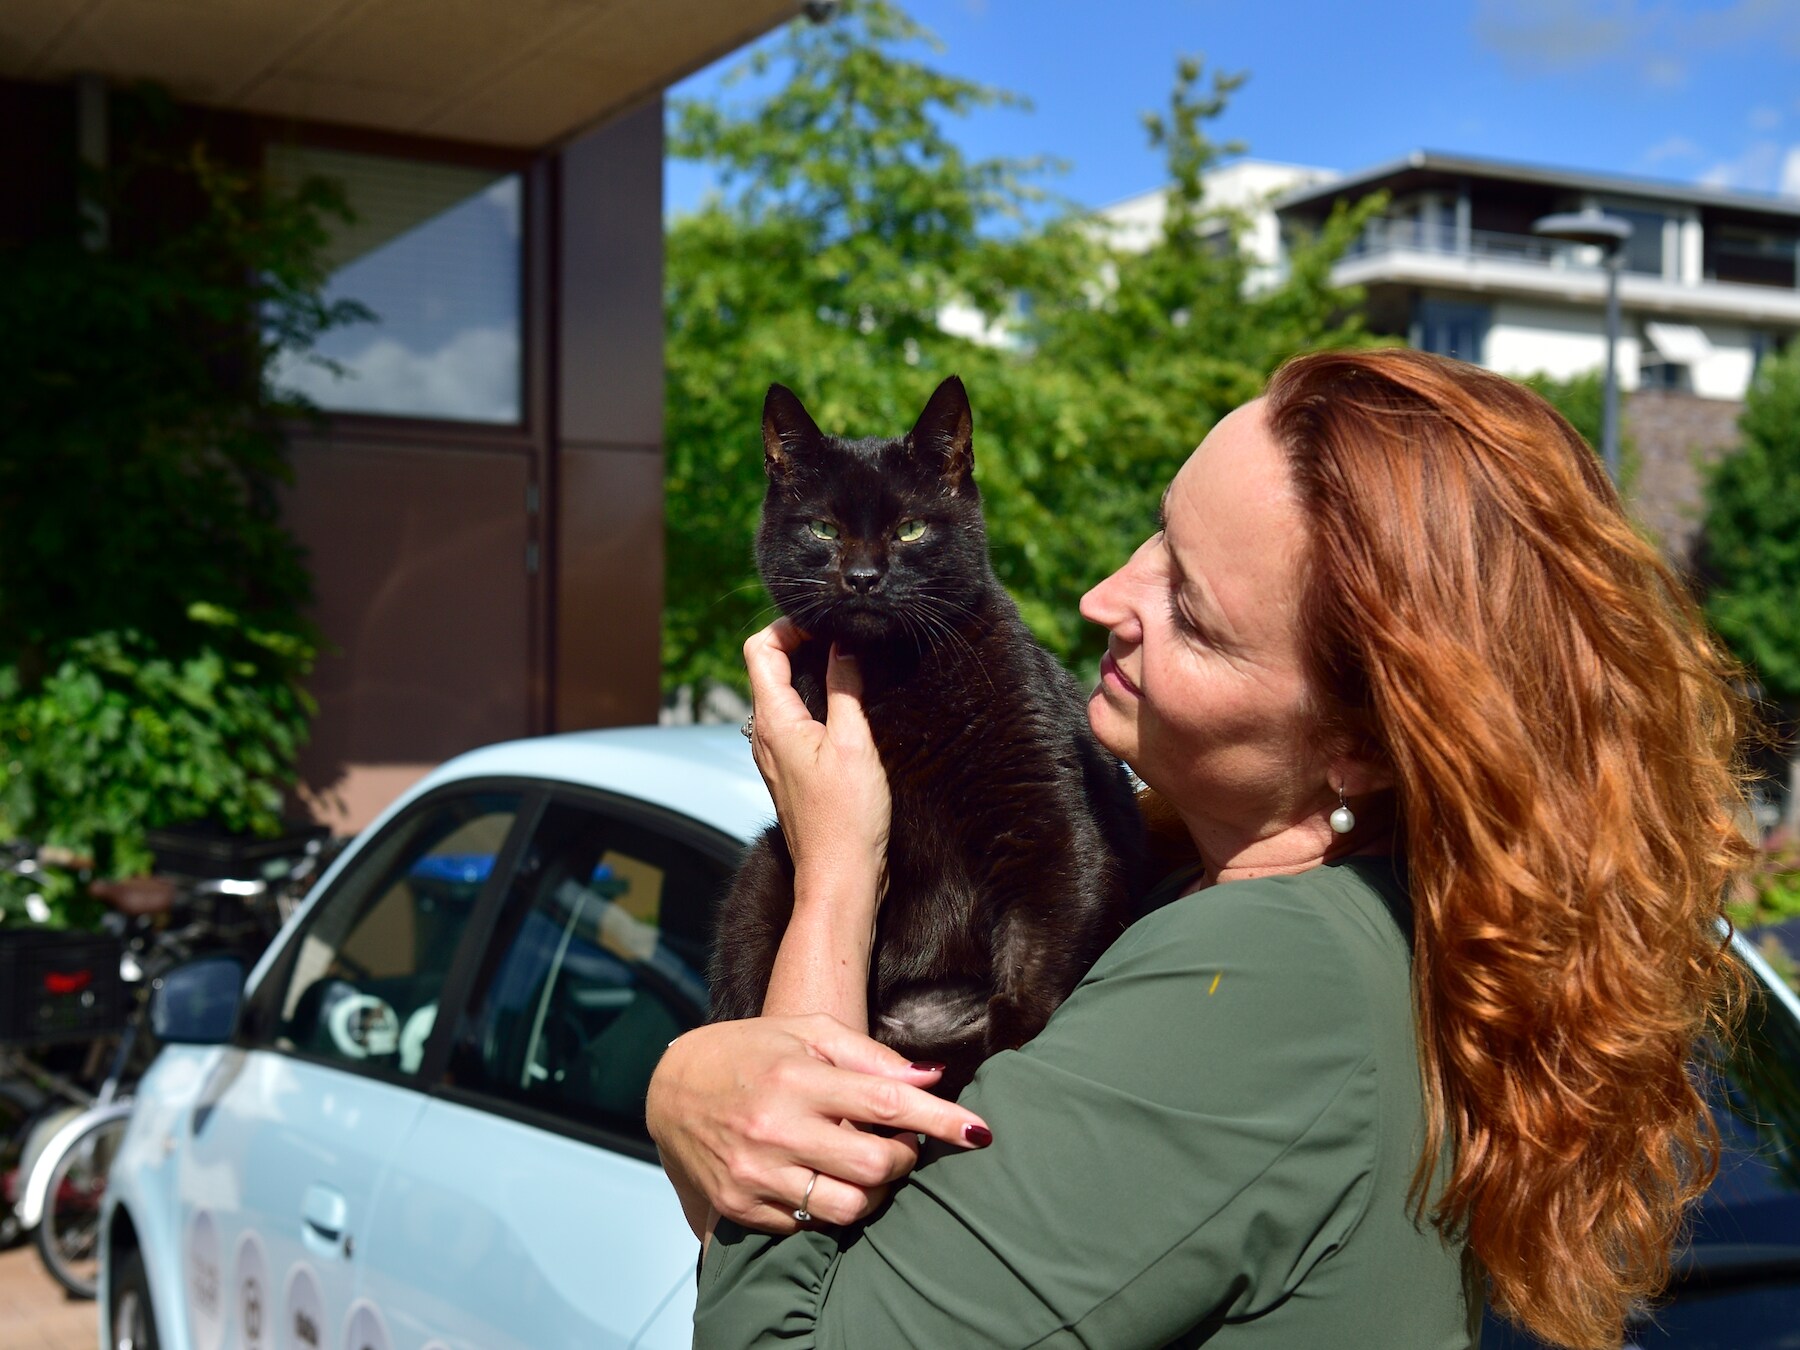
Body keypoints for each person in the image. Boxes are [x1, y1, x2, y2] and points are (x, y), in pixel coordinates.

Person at [646, 348, 1753, 1349]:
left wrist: (836, 872)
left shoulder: (1265, 984)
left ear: (1360, 745)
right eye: (1161, 535)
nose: (1101, 600)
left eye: (1194, 607)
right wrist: (694, 1081)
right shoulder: (1333, 908)